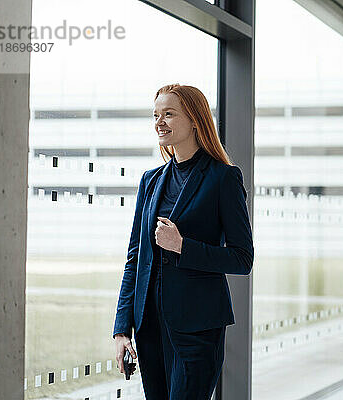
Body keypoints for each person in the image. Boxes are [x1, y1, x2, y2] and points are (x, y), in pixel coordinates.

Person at [112, 84, 254, 399]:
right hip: (148, 327)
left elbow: (242, 258)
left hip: (197, 330)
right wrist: (122, 329)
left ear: (194, 120)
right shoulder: (150, 181)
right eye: (156, 115)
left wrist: (182, 246)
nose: (159, 122)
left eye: (169, 114)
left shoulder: (223, 178)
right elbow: (135, 258)